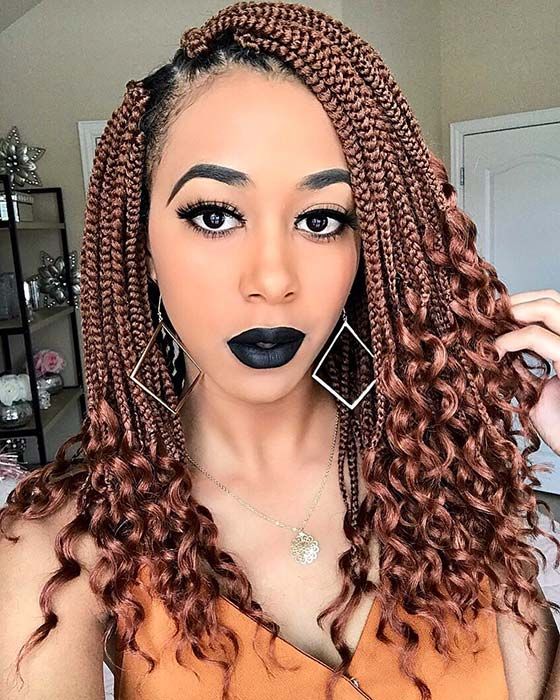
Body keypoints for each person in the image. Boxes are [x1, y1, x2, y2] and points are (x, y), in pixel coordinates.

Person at [1, 2, 560, 699]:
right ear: (141, 246)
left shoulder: (443, 472)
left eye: (321, 219)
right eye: (214, 215)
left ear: (368, 249)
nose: (272, 279)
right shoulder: (64, 544)